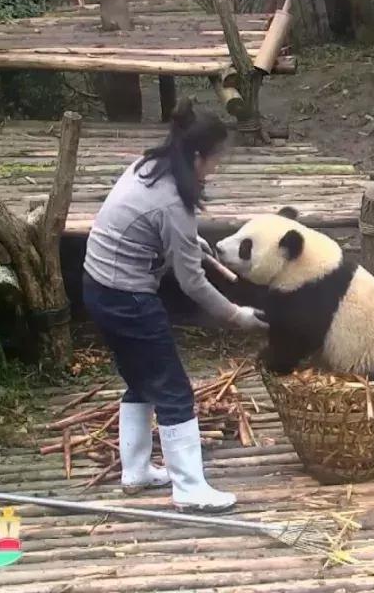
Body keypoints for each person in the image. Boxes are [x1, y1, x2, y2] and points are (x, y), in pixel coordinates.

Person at [83, 101, 266, 512]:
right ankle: (189, 489)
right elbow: (193, 285)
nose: (216, 168)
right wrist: (237, 316)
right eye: (216, 159)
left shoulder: (147, 166)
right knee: (174, 390)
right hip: (126, 297)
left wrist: (187, 242)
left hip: (97, 286)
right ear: (198, 155)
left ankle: (136, 471)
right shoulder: (172, 203)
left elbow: (146, 227)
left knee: (141, 380)